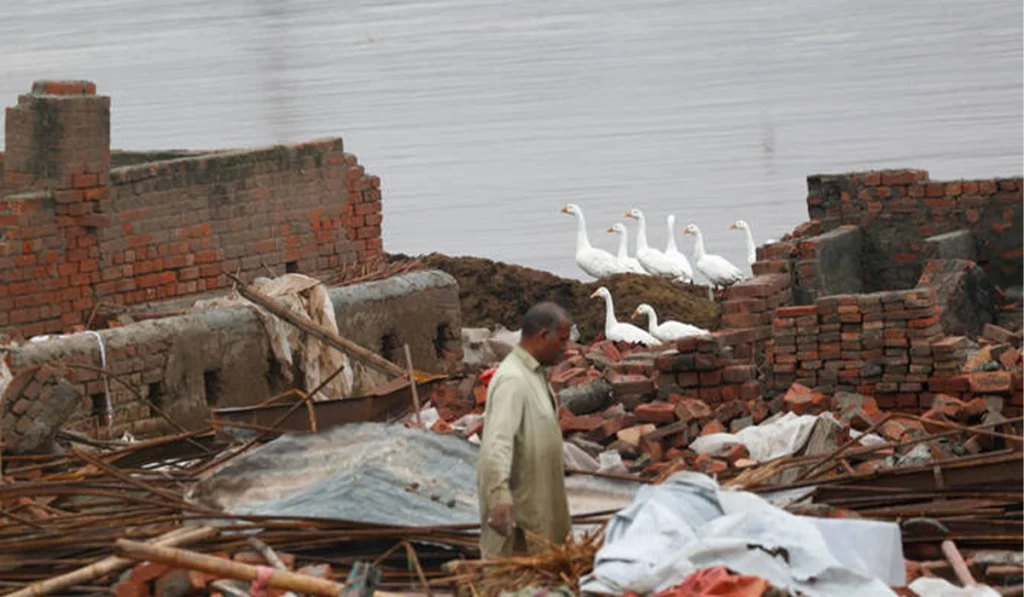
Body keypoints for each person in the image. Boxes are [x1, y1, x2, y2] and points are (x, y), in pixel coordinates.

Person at [476, 301, 573, 559]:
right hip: (521, 526)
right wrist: (498, 498)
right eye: (562, 340)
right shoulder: (513, 380)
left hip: (540, 514)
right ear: (543, 336)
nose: (567, 349)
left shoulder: (535, 375)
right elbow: (496, 445)